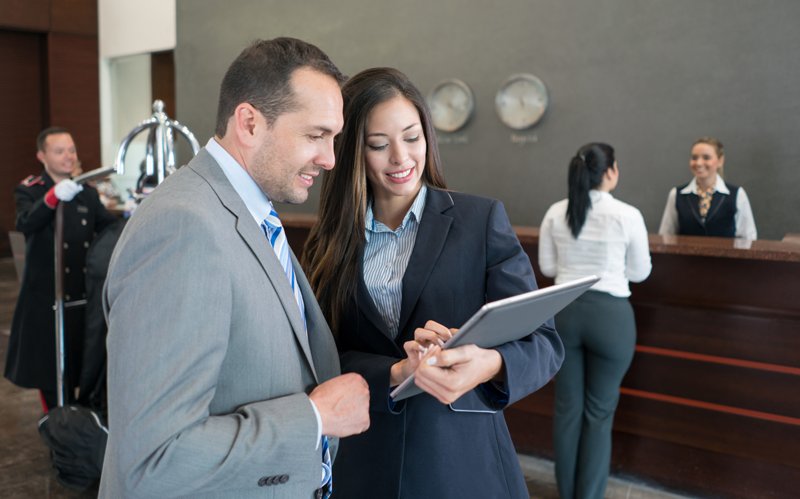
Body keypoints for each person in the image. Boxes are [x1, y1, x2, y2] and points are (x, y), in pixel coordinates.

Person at [100, 38, 370, 498]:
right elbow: (156, 458)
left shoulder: (249, 211)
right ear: (249, 123)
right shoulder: (183, 226)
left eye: (333, 138)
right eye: (315, 135)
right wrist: (314, 418)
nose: (329, 159)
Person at [302, 67, 564, 499]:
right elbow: (323, 358)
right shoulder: (328, 244)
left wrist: (488, 363)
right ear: (353, 152)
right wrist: (395, 371)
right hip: (367, 461)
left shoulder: (478, 221)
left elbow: (545, 342)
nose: (401, 158)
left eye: (412, 137)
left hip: (462, 462)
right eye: (379, 145)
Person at [538, 143, 652, 499]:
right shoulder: (627, 214)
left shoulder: (556, 212)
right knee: (599, 413)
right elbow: (640, 271)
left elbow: (548, 268)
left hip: (564, 313)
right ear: (611, 172)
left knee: (567, 408)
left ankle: (566, 492)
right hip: (611, 318)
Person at [5, 127, 117, 411]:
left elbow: (108, 228)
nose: (68, 156)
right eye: (59, 151)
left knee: (81, 363)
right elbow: (25, 222)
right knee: (49, 370)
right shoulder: (31, 190)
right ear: (42, 156)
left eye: (72, 150)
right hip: (45, 297)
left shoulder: (85, 193)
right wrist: (53, 198)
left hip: (79, 295)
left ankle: (77, 424)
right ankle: (56, 428)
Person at [658, 136, 757, 239]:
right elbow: (666, 236)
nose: (699, 163)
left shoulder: (737, 195)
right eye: (694, 158)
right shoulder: (676, 195)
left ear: (720, 161)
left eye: (706, 157)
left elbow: (748, 237)